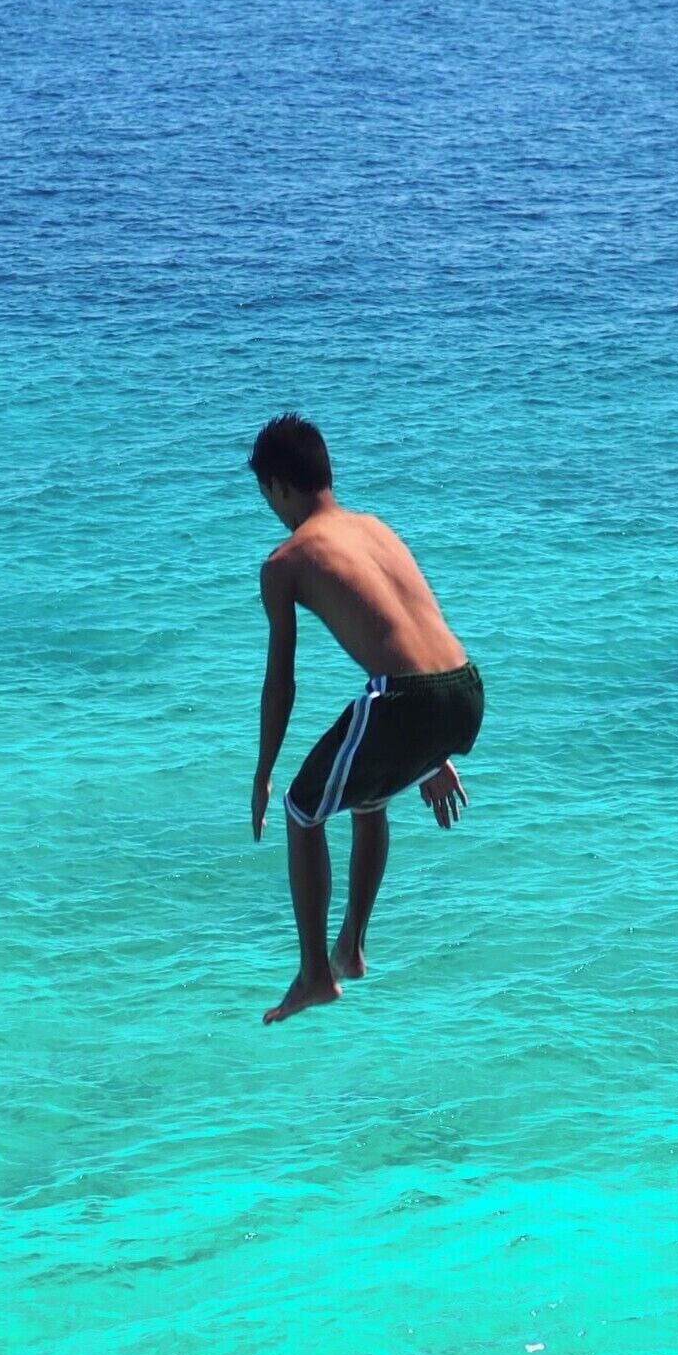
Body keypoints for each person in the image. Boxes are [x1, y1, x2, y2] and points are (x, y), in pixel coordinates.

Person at [247, 415, 483, 1024]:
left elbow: (281, 684)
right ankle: (350, 946)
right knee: (366, 792)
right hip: (464, 687)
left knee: (303, 810)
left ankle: (315, 975)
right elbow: (408, 637)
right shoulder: (374, 528)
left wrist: (264, 772)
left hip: (411, 699)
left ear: (278, 488)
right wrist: (434, 754)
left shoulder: (286, 561)